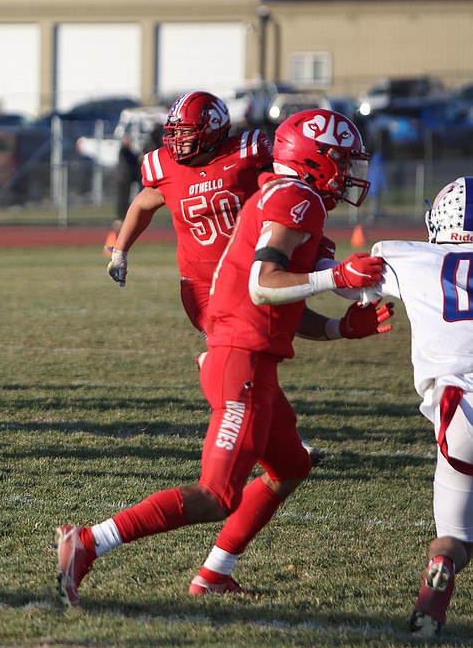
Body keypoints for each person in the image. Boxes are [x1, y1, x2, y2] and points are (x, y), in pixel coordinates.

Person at [55, 108, 394, 606]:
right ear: (314, 161)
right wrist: (338, 278)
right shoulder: (296, 199)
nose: (349, 174)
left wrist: (341, 326)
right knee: (215, 495)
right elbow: (265, 285)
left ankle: (215, 572)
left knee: (291, 468)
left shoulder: (283, 197)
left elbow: (287, 304)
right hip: (242, 365)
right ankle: (87, 541)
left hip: (252, 360)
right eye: (342, 162)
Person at [106, 91, 326, 465]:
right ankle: (274, 438)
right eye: (173, 133)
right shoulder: (166, 167)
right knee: (245, 360)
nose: (175, 140)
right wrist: (120, 250)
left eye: (185, 132)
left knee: (258, 361)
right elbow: (144, 203)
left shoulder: (246, 155)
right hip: (203, 288)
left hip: (250, 277)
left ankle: (271, 429)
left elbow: (282, 193)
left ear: (212, 130)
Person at [358, 176, 473, 637]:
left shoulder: (407, 256)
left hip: (459, 414)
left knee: (454, 538)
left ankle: (438, 578)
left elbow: (352, 281)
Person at [113, 133, 140, 221]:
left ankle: (124, 216)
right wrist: (138, 158)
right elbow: (132, 159)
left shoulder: (128, 150)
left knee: (126, 197)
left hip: (126, 178)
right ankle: (120, 216)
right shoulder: (124, 150)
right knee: (122, 198)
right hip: (123, 178)